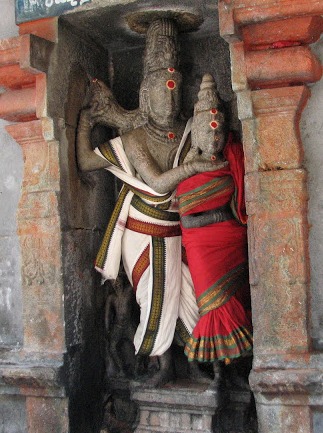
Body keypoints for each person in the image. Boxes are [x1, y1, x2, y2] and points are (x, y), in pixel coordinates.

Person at [77, 20, 227, 387]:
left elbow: (208, 146)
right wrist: (84, 124)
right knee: (157, 294)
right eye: (162, 92)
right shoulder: (135, 138)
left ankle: (194, 361)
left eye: (175, 93)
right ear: (146, 96)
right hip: (143, 233)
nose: (170, 100)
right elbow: (155, 182)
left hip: (179, 230)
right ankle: (161, 367)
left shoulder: (186, 132)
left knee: (192, 296)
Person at [176, 74, 253, 382]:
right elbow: (187, 220)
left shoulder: (232, 162)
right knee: (212, 305)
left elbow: (241, 201)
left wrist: (227, 216)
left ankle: (234, 371)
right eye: (208, 134)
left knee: (235, 297)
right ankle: (218, 369)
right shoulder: (189, 174)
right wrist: (222, 216)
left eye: (219, 133)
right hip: (202, 247)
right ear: (195, 135)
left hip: (232, 242)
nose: (215, 140)